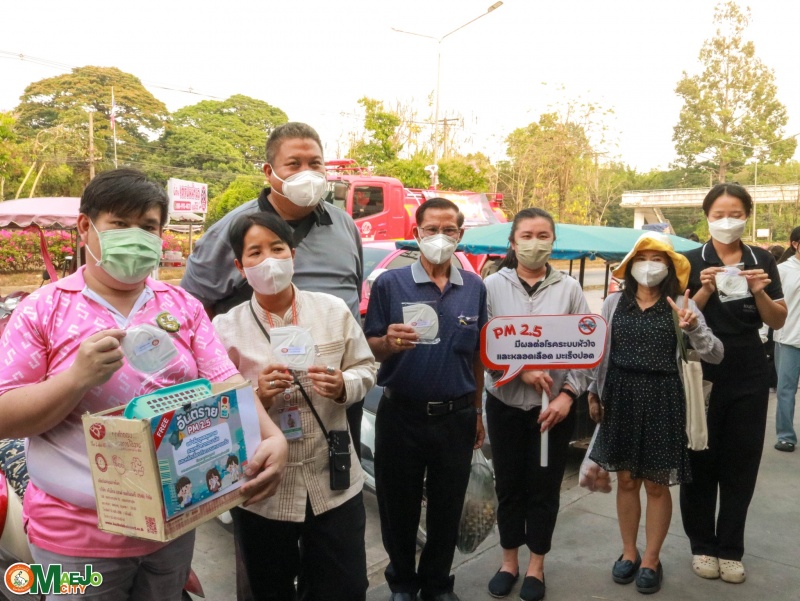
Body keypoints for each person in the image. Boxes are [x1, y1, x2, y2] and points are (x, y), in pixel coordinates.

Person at [0, 168, 287, 600]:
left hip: (176, 521)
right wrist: (76, 379)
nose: (135, 237)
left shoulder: (182, 305)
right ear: (86, 227)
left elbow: (224, 380)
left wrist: (273, 436)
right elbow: (4, 416)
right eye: (120, 223)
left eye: (148, 227)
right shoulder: (43, 309)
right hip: (76, 537)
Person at [212, 212, 377, 601]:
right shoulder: (226, 328)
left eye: (277, 248)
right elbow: (216, 411)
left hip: (333, 480)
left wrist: (343, 385)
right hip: (264, 491)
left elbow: (366, 368)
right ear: (240, 267)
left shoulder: (332, 310)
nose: (269, 260)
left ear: (293, 255)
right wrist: (257, 396)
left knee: (345, 588)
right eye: (255, 252)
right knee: (269, 589)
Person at [180, 121, 366, 459]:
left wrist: (345, 383)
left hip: (334, 399)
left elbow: (354, 296)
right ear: (269, 172)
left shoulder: (344, 226)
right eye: (294, 164)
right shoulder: (232, 230)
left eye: (315, 163)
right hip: (264, 405)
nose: (307, 172)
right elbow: (192, 312)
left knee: (336, 473)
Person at [364, 198, 487, 601]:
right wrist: (387, 342)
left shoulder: (474, 288)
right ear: (416, 234)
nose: (439, 237)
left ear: (460, 235)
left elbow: (477, 355)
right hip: (401, 414)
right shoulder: (390, 284)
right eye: (431, 229)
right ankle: (402, 582)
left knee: (447, 508)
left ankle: (437, 584)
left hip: (456, 417)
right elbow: (369, 347)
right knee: (397, 507)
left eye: (448, 230)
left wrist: (477, 411)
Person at [588, 232, 723, 595]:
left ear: (670, 267)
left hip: (664, 398)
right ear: (631, 265)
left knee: (656, 484)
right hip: (621, 396)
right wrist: (592, 393)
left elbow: (715, 354)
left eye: (658, 259)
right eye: (642, 258)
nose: (649, 266)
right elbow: (599, 353)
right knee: (627, 480)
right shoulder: (613, 303)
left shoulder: (681, 304)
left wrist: (694, 327)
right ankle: (629, 552)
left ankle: (651, 558)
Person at [482, 208, 590, 601]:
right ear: (512, 242)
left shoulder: (570, 289)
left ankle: (536, 566)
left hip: (553, 411)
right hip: (505, 405)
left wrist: (567, 396)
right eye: (526, 235)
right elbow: (484, 345)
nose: (534, 243)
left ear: (553, 241)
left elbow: (585, 350)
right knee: (509, 486)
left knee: (544, 490)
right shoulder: (491, 286)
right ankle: (509, 561)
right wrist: (519, 372)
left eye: (543, 235)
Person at [681, 183, 786, 584]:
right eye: (719, 214)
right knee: (700, 456)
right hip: (702, 372)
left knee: (742, 461)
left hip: (749, 368)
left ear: (747, 216)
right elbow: (679, 318)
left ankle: (730, 548)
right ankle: (702, 545)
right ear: (706, 217)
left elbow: (777, 319)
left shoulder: (762, 259)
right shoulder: (691, 260)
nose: (727, 221)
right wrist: (705, 288)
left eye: (736, 214)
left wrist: (759, 291)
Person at [773, 226, 800, 452]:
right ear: (795, 244)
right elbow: (771, 301)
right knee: (786, 390)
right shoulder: (782, 270)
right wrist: (763, 331)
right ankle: (785, 436)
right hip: (788, 339)